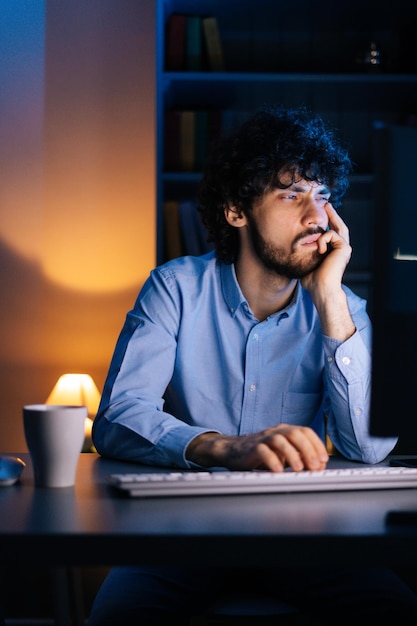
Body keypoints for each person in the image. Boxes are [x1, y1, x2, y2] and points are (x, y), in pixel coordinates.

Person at [88, 105, 417, 624]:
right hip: (181, 531)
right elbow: (118, 417)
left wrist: (330, 300)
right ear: (236, 211)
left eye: (323, 195)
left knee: (396, 610)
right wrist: (224, 446)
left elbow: (370, 449)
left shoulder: (344, 311)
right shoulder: (174, 289)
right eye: (292, 194)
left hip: (302, 532)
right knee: (117, 617)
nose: (317, 216)